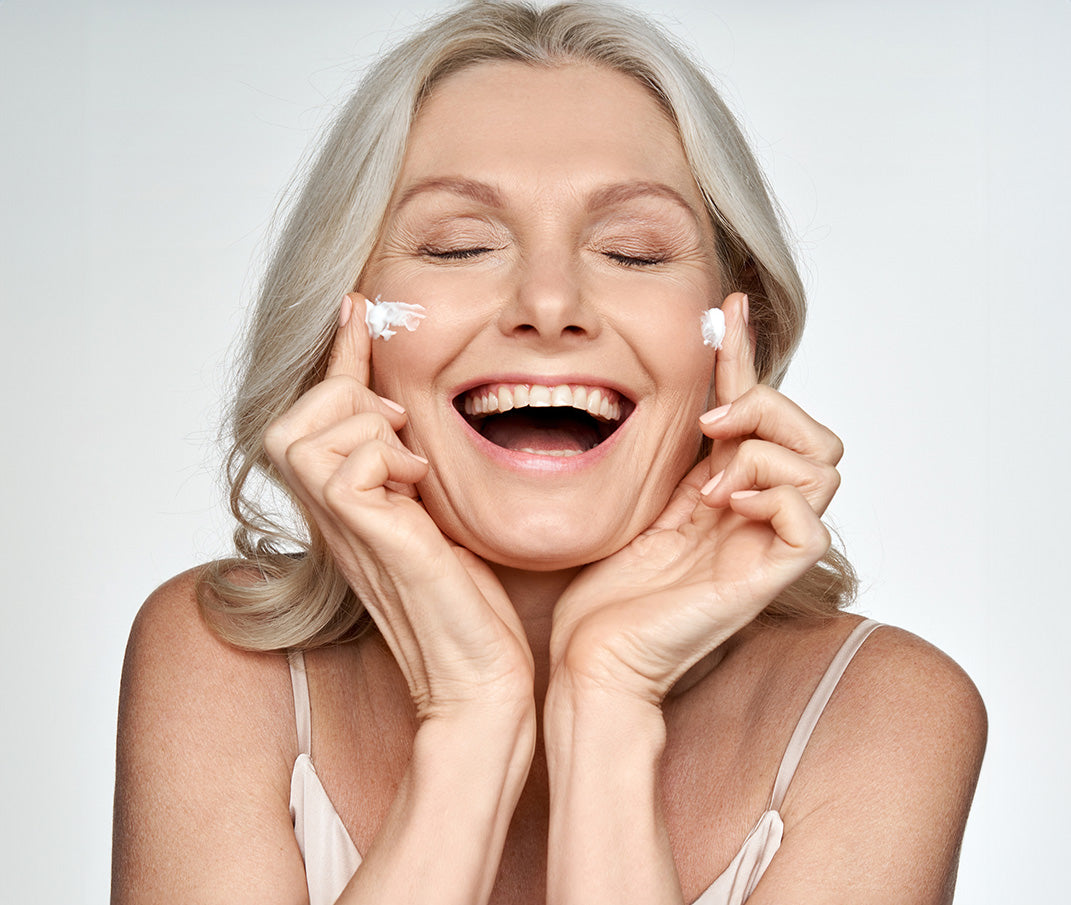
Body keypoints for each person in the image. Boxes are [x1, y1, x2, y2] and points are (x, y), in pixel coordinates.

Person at [111, 2, 986, 903]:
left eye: (633, 253)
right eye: (458, 246)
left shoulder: (885, 711)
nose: (548, 302)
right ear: (347, 320)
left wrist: (609, 702)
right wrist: (467, 717)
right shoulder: (222, 662)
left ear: (737, 332)